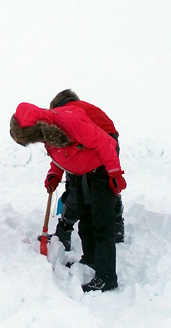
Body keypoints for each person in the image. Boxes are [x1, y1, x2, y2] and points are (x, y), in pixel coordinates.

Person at [10, 102, 127, 292]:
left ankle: (107, 277)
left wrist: (115, 173)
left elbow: (106, 143)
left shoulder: (69, 123)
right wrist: (54, 174)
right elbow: (63, 154)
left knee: (101, 223)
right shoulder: (49, 132)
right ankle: (91, 261)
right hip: (85, 171)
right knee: (86, 218)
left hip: (101, 170)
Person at [47, 89, 125, 251]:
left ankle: (64, 232)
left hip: (93, 146)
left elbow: (62, 151)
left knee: (75, 188)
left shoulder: (65, 114)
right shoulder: (86, 108)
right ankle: (117, 226)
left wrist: (55, 174)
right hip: (110, 145)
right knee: (108, 188)